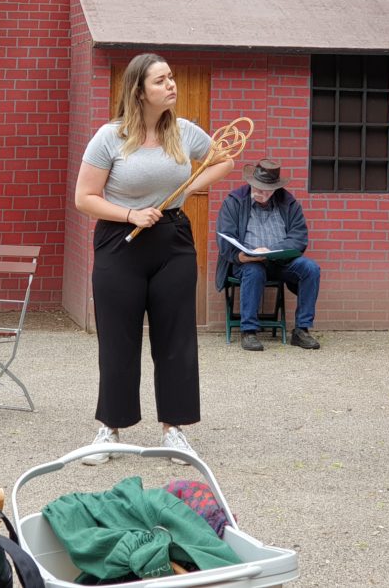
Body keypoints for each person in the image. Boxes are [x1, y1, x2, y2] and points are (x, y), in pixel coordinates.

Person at [73, 53, 234, 465]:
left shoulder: (184, 132)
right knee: (118, 339)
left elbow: (224, 159)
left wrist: (190, 187)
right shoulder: (109, 137)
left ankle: (174, 432)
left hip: (173, 239)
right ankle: (109, 429)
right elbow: (84, 199)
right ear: (139, 90)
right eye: (161, 81)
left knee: (176, 338)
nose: (172, 85)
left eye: (172, 78)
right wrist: (130, 213)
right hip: (119, 241)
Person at [215, 159, 322, 351]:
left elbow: (299, 238)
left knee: (310, 269)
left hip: (280, 262)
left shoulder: (288, 203)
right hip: (246, 262)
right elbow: (225, 236)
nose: (259, 192)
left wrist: (274, 251)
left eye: (265, 189)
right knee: (254, 270)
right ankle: (249, 332)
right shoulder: (235, 201)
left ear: (275, 189)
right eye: (256, 187)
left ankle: (301, 330)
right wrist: (240, 256)